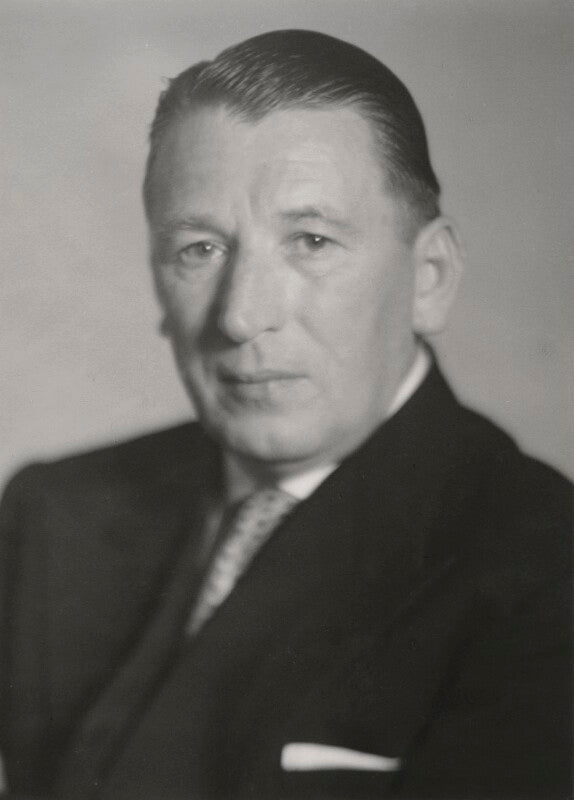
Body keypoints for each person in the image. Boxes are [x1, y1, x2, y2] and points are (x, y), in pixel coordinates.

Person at [0, 29, 571, 800]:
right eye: (200, 249)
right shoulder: (54, 514)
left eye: (311, 240)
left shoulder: (542, 567)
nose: (241, 316)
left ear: (430, 277)